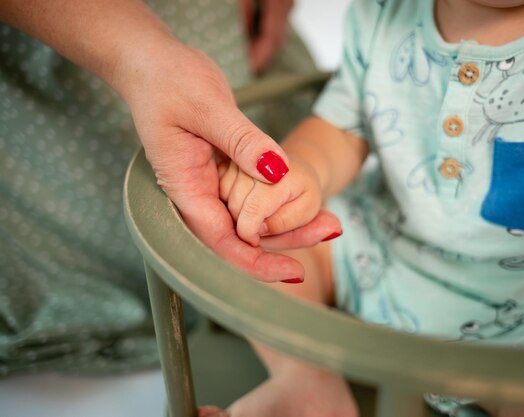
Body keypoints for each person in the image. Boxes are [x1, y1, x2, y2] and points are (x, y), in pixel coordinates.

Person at [216, 0, 524, 416]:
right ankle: (306, 382)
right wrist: (302, 171)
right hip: (375, 250)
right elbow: (343, 126)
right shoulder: (386, 11)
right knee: (255, 237)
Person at [0, 0, 341, 376]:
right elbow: (348, 117)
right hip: (74, 62)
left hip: (219, 43)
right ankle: (305, 378)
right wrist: (144, 60)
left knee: (269, 234)